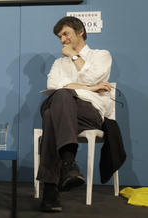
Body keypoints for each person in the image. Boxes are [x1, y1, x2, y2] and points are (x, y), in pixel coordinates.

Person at [37, 16, 113, 212]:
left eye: (65, 34)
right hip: (62, 107)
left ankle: (51, 189)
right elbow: (53, 86)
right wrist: (91, 87)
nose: (62, 40)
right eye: (59, 36)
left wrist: (73, 56)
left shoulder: (101, 55)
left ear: (80, 32)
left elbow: (93, 75)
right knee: (61, 97)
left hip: (89, 112)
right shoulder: (57, 63)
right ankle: (68, 164)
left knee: (51, 116)